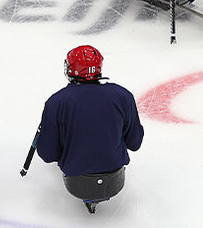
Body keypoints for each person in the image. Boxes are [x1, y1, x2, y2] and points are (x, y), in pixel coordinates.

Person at [36, 45, 144, 213]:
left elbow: (47, 154)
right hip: (115, 180)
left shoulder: (56, 102)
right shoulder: (123, 96)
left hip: (76, 181)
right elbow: (135, 142)